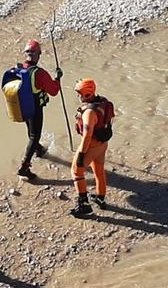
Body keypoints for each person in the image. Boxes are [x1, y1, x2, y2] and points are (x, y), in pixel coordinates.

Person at [13, 38, 63, 180]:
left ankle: (38, 149)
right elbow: (53, 91)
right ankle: (24, 167)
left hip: (21, 107)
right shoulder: (39, 73)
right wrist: (58, 78)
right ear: (39, 54)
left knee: (31, 133)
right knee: (35, 136)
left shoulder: (18, 68)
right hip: (35, 108)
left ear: (25, 54)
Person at [70, 78, 114, 217]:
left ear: (88, 94)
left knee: (76, 172)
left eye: (80, 93)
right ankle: (100, 198)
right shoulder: (103, 102)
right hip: (102, 144)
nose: (79, 96)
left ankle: (84, 204)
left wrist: (82, 154)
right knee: (99, 171)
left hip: (91, 146)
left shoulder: (89, 112)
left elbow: (87, 135)